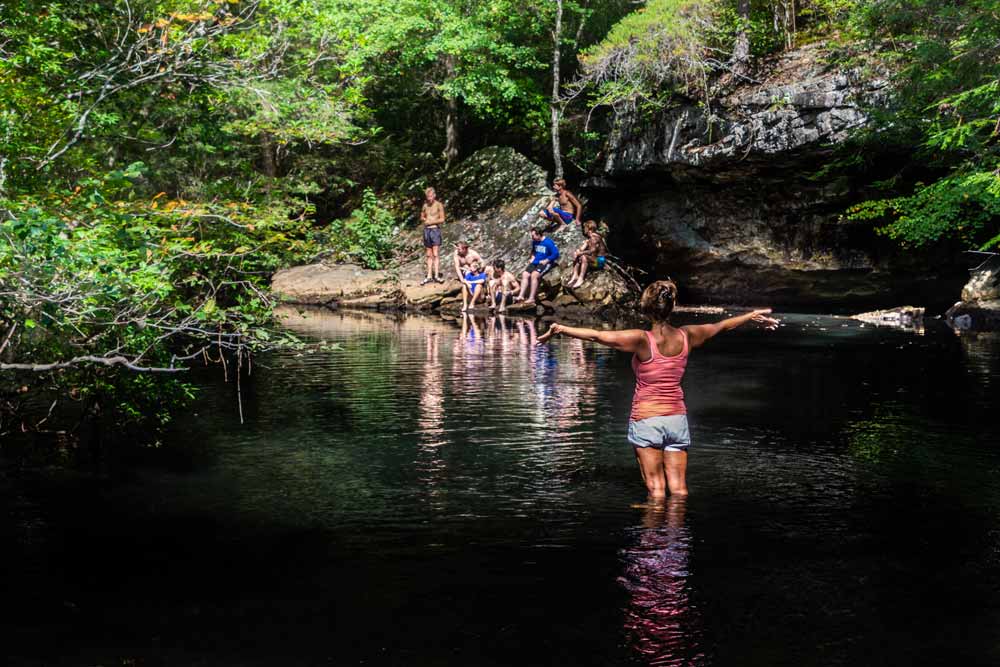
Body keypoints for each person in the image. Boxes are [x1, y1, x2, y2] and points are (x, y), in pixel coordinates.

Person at [537, 280, 778, 500]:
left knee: (656, 491)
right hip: (677, 420)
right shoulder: (688, 335)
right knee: (680, 490)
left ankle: (652, 545)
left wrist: (561, 329)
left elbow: (599, 336)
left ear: (646, 307)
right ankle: (676, 545)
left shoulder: (642, 339)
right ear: (671, 307)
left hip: (647, 419)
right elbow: (721, 326)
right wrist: (750, 316)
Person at [515, 227, 560, 306]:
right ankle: (521, 296)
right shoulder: (535, 242)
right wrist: (532, 257)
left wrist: (547, 260)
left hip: (545, 263)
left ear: (539, 235)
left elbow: (556, 254)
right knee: (525, 274)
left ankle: (531, 298)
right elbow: (533, 251)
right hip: (535, 262)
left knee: (534, 275)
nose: (532, 237)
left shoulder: (548, 242)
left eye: (533, 236)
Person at [566, 220, 608, 289]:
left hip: (600, 262)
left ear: (589, 228)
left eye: (585, 227)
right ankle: (575, 275)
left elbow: (592, 251)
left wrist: (580, 253)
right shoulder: (589, 239)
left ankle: (581, 278)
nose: (584, 229)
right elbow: (581, 249)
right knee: (578, 254)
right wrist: (577, 252)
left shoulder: (594, 237)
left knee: (583, 256)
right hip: (594, 260)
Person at [420, 187, 446, 285]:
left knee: (435, 253)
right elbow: (422, 216)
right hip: (427, 230)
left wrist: (431, 221)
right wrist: (424, 219)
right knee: (428, 254)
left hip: (435, 230)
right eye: (428, 196)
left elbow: (442, 219)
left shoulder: (439, 205)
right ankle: (429, 275)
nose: (429, 198)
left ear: (434, 195)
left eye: (431, 196)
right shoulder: (425, 205)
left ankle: (436, 276)